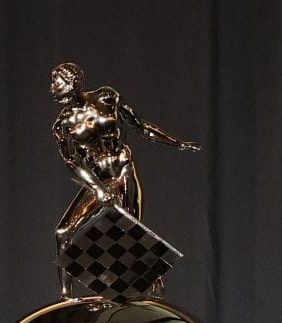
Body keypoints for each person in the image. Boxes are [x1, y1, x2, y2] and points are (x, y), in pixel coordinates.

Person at [48, 60, 200, 241]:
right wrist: (98, 189)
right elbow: (72, 161)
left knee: (131, 231)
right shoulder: (62, 125)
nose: (52, 89)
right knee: (63, 233)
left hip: (122, 171)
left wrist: (177, 143)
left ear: (72, 82)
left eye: (56, 83)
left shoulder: (107, 97)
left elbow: (141, 126)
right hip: (99, 179)